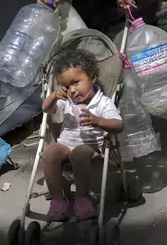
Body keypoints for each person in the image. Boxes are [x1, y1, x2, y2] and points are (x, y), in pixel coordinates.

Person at [41, 49, 124, 221]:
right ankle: (57, 200)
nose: (71, 90)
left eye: (76, 82)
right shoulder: (67, 100)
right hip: (66, 144)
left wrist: (98, 121)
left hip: (91, 146)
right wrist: (54, 96)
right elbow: (47, 109)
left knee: (79, 153)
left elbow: (118, 125)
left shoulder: (103, 103)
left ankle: (82, 199)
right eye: (66, 86)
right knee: (50, 151)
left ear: (92, 77)